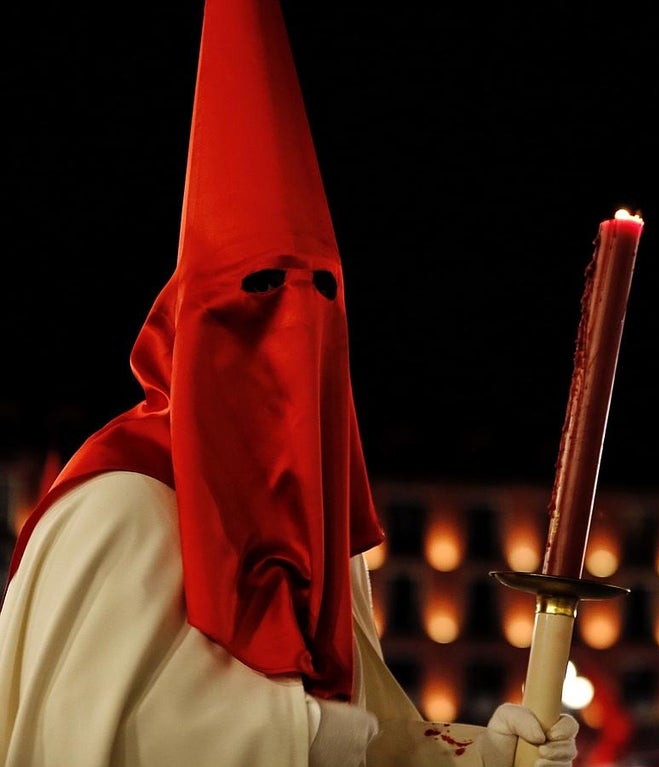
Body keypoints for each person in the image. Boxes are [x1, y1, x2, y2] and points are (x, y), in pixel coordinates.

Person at [0, 2, 579, 766]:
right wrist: (314, 736)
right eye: (260, 288)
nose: (294, 323)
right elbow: (78, 742)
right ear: (186, 324)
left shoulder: (324, 543)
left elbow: (383, 740)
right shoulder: (121, 502)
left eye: (324, 292)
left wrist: (487, 752)